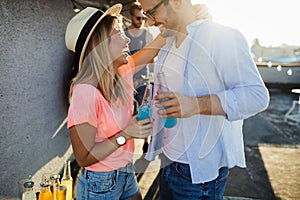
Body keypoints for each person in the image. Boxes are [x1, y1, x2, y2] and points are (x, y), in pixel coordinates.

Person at [139, 0, 270, 199]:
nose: (149, 23)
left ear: (176, 2)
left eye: (152, 13)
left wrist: (195, 105)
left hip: (196, 175)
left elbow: (257, 96)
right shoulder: (166, 44)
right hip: (167, 160)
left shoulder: (222, 38)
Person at [65, 4, 165, 200]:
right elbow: (83, 157)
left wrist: (176, 24)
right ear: (100, 45)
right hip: (100, 183)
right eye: (119, 33)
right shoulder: (85, 93)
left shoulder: (121, 74)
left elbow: (152, 50)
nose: (127, 38)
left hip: (125, 172)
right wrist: (127, 133)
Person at [125, 1, 154, 153]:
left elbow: (152, 57)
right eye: (138, 18)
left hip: (142, 80)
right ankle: (125, 141)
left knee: (145, 111)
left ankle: (146, 140)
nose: (141, 21)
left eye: (143, 18)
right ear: (130, 16)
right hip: (126, 82)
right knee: (127, 113)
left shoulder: (147, 34)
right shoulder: (123, 34)